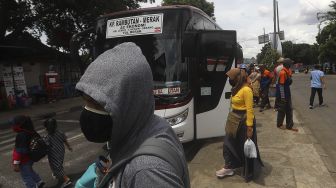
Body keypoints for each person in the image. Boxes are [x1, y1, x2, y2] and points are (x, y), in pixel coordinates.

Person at [75, 42, 190, 187]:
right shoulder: (149, 125)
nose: (88, 111)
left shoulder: (148, 171)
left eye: (98, 104)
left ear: (130, 102)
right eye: (86, 101)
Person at [216, 68, 263, 182]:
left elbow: (250, 110)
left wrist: (250, 127)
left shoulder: (246, 90)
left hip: (244, 120)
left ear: (237, 78)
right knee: (228, 143)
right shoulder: (237, 88)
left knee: (245, 147)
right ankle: (230, 166)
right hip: (234, 119)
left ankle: (248, 171)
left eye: (230, 78)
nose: (229, 80)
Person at [11, 115, 45, 188]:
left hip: (23, 160)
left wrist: (15, 164)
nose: (13, 126)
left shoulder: (21, 135)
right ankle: (39, 181)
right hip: (30, 158)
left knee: (26, 176)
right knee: (29, 170)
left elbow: (18, 152)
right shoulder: (31, 131)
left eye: (14, 124)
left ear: (19, 125)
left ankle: (32, 186)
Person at [44, 118, 73, 188]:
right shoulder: (60, 132)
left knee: (57, 166)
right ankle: (56, 173)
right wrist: (69, 147)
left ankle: (67, 179)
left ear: (47, 127)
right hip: (61, 151)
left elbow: (46, 145)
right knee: (58, 164)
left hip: (53, 154)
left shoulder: (48, 136)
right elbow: (65, 140)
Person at [276, 58, 298, 131]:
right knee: (282, 110)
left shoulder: (288, 71)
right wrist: (282, 97)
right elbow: (281, 86)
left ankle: (289, 126)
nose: (291, 65)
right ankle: (279, 124)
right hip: (283, 94)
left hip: (287, 93)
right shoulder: (283, 73)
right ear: (287, 64)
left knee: (289, 110)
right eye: (290, 63)